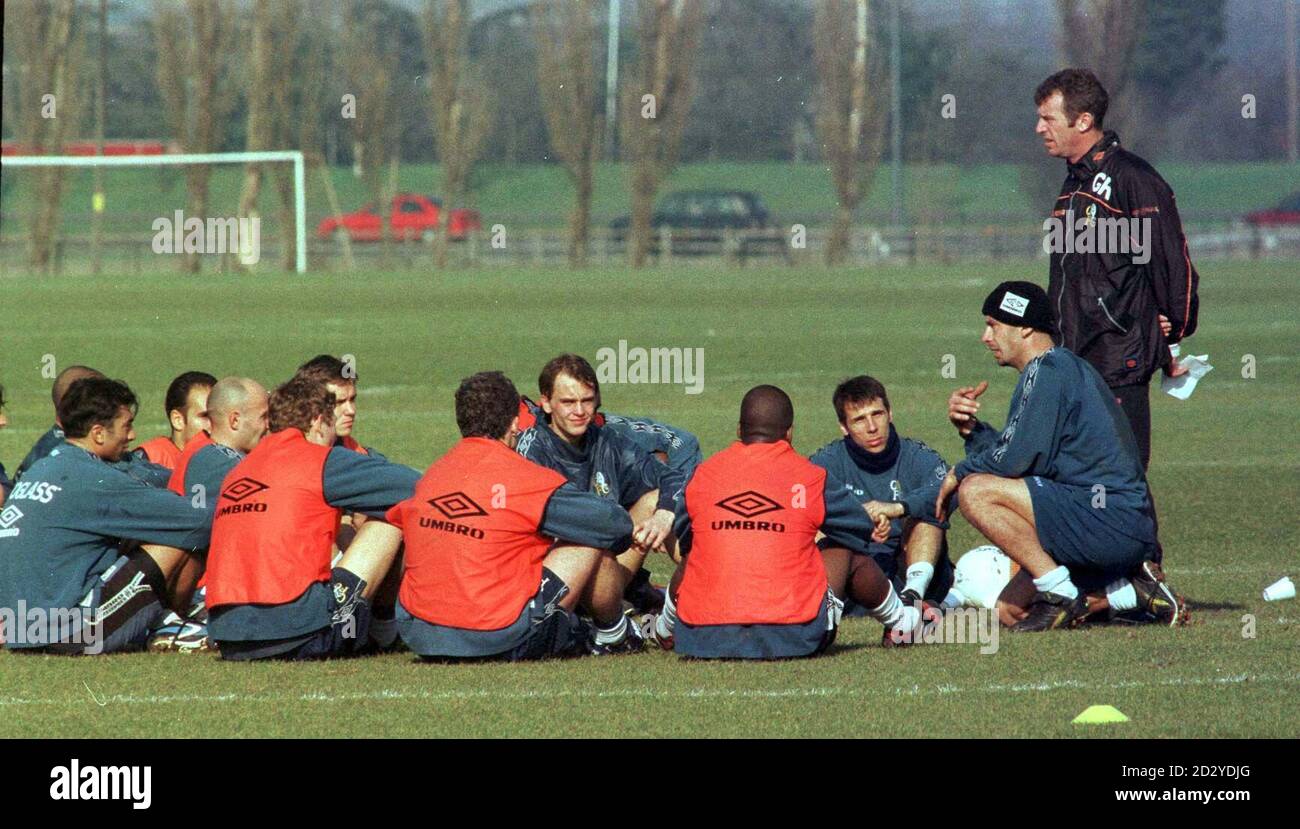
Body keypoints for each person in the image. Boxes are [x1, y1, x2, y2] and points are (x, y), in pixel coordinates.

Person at [938, 281, 1188, 632]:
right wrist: (972, 432)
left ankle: (1063, 594)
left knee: (975, 491)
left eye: (993, 325)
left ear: (1024, 326)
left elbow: (1011, 463)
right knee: (1009, 611)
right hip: (1105, 520)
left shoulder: (1048, 371)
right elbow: (1019, 458)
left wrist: (957, 473)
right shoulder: (1056, 369)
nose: (985, 336)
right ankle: (1130, 592)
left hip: (1108, 522)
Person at [1035, 68, 1200, 565]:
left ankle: (1148, 578)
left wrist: (1172, 325)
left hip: (1119, 354)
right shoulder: (1073, 183)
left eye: (1048, 118)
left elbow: (1173, 263)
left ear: (1083, 120)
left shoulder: (1134, 179)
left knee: (1124, 472)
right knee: (1079, 471)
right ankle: (1102, 579)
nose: (1039, 128)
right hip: (1075, 353)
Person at [652, 385, 930, 658]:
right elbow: (859, 527)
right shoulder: (810, 477)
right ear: (789, 433)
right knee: (844, 548)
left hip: (700, 638)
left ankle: (664, 629)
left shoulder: (702, 474)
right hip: (795, 637)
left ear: (739, 430)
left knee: (699, 552)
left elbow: (688, 542)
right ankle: (902, 623)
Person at [387, 371, 639, 661]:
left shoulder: (432, 474)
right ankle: (614, 634)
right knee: (587, 534)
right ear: (515, 422)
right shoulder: (525, 478)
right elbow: (614, 524)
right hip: (497, 638)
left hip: (420, 634)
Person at [204, 376, 419, 660]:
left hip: (229, 637)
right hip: (298, 635)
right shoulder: (320, 459)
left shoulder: (238, 471)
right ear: (318, 422)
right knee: (387, 521)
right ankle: (384, 632)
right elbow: (416, 487)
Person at [0, 377, 211, 654]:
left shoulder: (45, 466)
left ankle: (164, 619)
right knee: (177, 535)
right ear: (98, 433)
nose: (132, 435)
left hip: (21, 629)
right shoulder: (92, 478)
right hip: (62, 634)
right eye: (127, 425)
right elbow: (197, 520)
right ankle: (170, 626)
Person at [515, 354, 684, 639]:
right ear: (546, 403)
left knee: (661, 500)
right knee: (593, 545)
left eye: (587, 400)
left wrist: (664, 515)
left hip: (608, 563)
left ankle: (706, 601)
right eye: (568, 402)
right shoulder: (532, 449)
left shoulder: (607, 441)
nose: (580, 411)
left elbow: (674, 478)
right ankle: (617, 631)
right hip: (559, 572)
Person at [810, 375, 955, 609]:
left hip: (908, 561)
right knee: (813, 525)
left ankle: (912, 597)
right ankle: (825, 601)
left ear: (890, 413)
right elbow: (799, 509)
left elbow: (949, 490)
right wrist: (859, 523)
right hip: (857, 562)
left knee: (930, 513)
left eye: (877, 414)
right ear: (844, 427)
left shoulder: (918, 456)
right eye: (859, 420)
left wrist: (899, 509)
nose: (872, 427)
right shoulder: (827, 462)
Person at [148, 377, 271, 652]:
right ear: (235, 420)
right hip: (206, 591)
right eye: (264, 417)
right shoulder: (215, 461)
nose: (269, 426)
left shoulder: (214, 452)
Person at [293, 354, 383, 458]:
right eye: (339, 402)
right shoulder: (284, 452)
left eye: (352, 399)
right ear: (312, 406)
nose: (351, 411)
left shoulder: (363, 457)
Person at [134, 371, 217, 469]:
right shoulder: (148, 460)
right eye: (205, 416)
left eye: (219, 416)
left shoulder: (229, 460)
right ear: (178, 420)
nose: (215, 423)